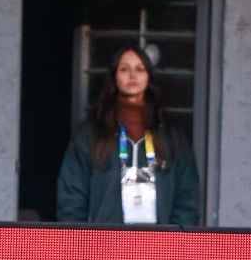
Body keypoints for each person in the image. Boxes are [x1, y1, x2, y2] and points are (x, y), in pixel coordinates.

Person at [56, 45, 200, 225]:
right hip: (104, 245)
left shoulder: (170, 133)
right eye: (124, 69)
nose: (132, 75)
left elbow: (187, 196)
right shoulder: (92, 132)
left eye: (140, 69)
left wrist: (174, 240)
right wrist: (81, 243)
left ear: (149, 77)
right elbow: (71, 196)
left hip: (158, 246)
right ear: (114, 77)